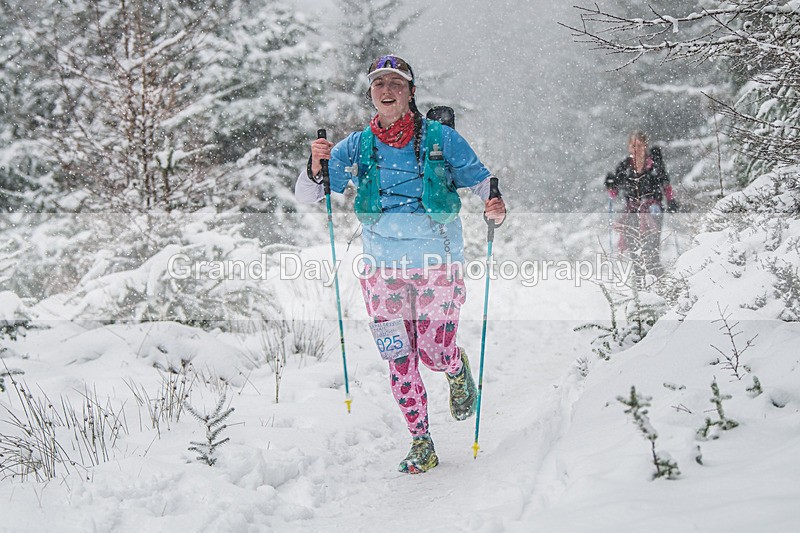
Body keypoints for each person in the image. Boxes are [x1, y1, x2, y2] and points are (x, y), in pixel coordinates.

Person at [295, 54, 507, 474]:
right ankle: (421, 441)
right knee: (399, 357)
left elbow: (482, 180)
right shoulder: (356, 146)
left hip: (436, 264)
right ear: (371, 94)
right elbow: (308, 195)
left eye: (396, 83)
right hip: (381, 272)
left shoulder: (441, 139)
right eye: (379, 84)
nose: (387, 90)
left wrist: (494, 204)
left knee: (433, 353)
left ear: (411, 92)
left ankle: (454, 366)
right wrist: (314, 165)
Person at [604, 130, 678, 276]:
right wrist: (610, 184)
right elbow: (614, 193)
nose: (636, 149)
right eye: (632, 145)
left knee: (651, 251)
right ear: (629, 147)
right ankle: (640, 284)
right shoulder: (624, 166)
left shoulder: (655, 164)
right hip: (632, 212)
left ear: (645, 145)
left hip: (653, 210)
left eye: (639, 145)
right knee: (635, 253)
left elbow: (666, 184)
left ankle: (657, 281)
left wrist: (671, 200)